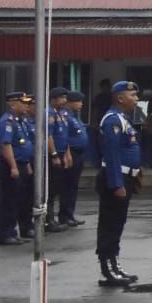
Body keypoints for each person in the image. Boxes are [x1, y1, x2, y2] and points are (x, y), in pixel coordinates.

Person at [95, 81, 143, 286]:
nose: (136, 99)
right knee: (110, 224)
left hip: (126, 177)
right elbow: (112, 155)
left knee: (118, 223)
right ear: (120, 98)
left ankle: (114, 264)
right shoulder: (112, 121)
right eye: (133, 95)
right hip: (116, 178)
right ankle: (107, 267)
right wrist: (117, 184)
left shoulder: (123, 119)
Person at [0, 91, 35, 246]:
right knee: (8, 201)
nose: (26, 105)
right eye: (22, 103)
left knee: (20, 200)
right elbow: (6, 146)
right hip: (11, 165)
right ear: (12, 104)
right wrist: (13, 166)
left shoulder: (20, 120)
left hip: (22, 164)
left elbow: (24, 145)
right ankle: (5, 234)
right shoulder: (7, 121)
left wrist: (27, 165)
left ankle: (14, 231)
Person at [44, 87, 73, 232]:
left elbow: (64, 136)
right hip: (52, 156)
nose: (65, 100)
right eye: (62, 97)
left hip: (62, 153)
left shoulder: (61, 113)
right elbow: (49, 136)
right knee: (49, 189)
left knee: (57, 188)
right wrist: (54, 155)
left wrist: (67, 154)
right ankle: (48, 220)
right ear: (54, 99)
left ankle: (52, 219)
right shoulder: (49, 113)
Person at [60, 91, 89, 229]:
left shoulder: (74, 117)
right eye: (78, 101)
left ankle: (69, 215)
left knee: (73, 186)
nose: (81, 104)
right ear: (69, 102)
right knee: (67, 186)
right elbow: (63, 137)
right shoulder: (65, 117)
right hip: (71, 153)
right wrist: (67, 153)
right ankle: (64, 216)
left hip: (79, 154)